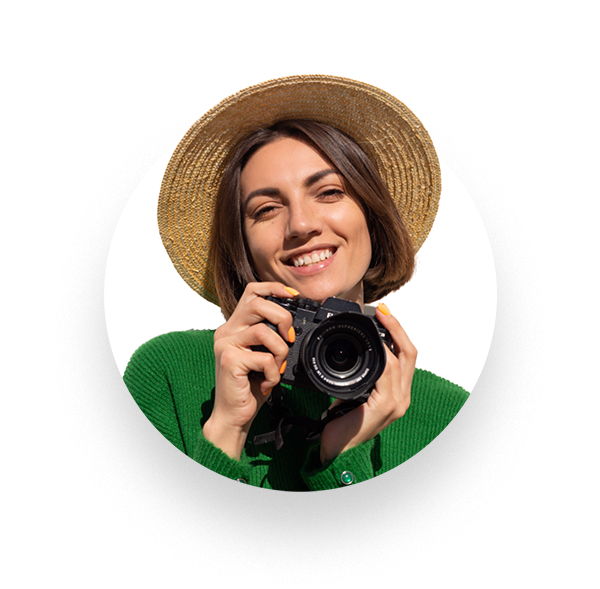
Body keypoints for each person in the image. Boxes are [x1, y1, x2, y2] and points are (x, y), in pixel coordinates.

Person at [124, 75, 469, 490]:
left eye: (328, 192)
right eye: (266, 209)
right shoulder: (169, 373)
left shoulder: (446, 412)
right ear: (243, 246)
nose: (301, 225)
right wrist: (226, 429)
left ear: (371, 215)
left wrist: (342, 457)